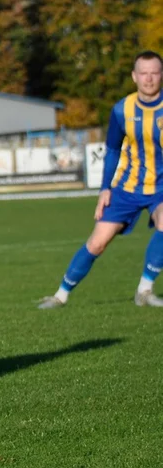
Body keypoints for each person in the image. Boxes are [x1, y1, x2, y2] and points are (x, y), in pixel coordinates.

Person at [39, 51, 163, 309]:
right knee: (97, 243)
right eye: (144, 73)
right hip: (127, 188)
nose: (149, 78)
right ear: (134, 76)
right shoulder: (122, 110)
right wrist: (105, 188)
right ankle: (60, 295)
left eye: (155, 72)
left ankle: (145, 289)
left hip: (161, 188)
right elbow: (113, 150)